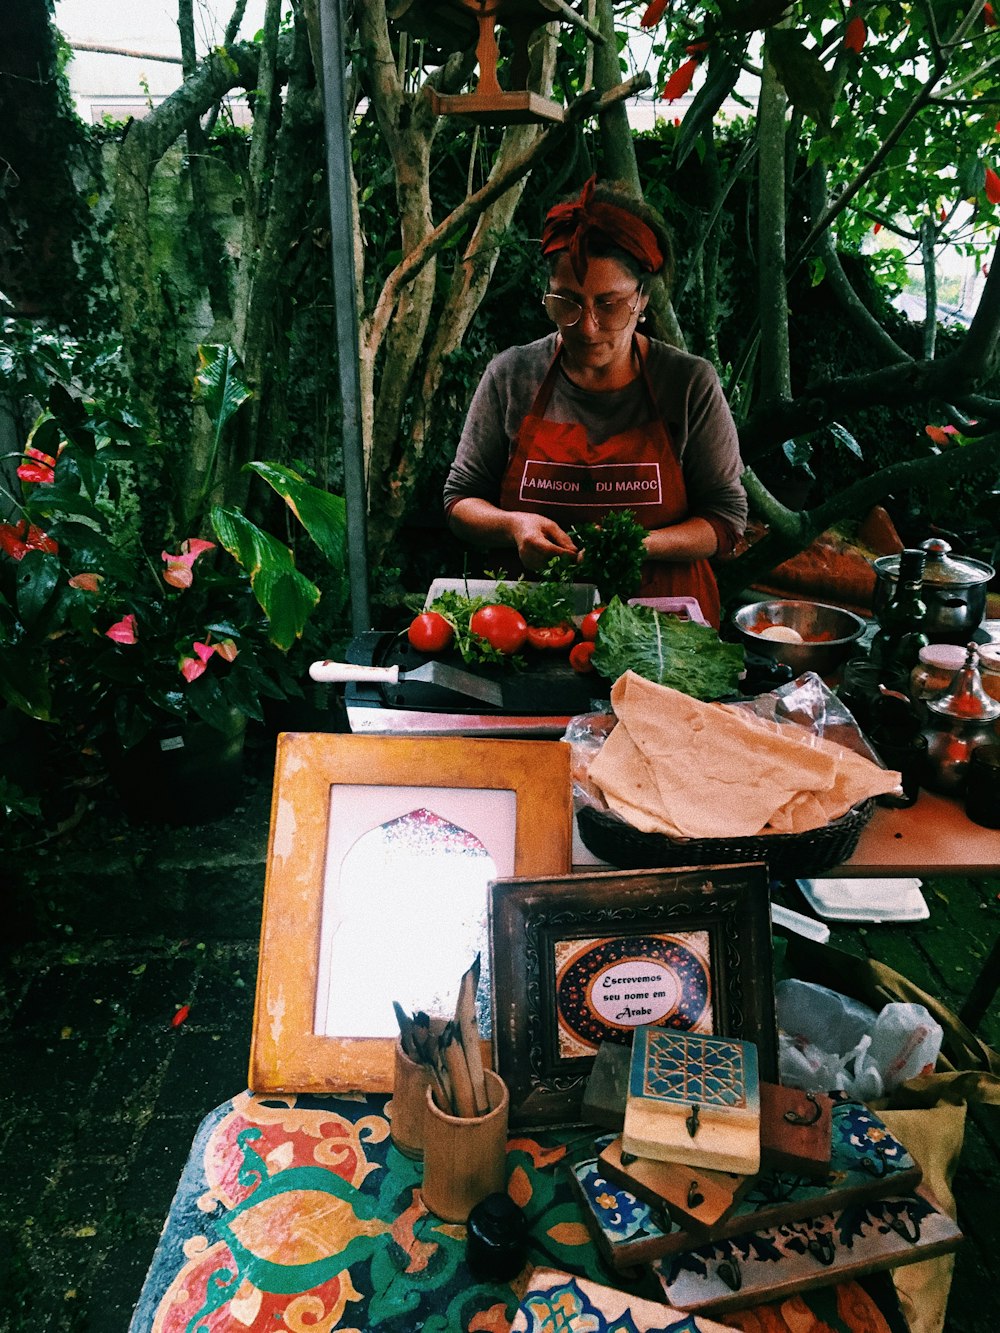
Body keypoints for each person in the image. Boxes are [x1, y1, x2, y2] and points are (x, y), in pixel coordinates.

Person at [443, 176, 747, 628]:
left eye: (609, 304)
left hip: (663, 629)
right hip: (533, 626)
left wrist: (633, 545)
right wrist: (514, 526)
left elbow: (725, 522)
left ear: (642, 298)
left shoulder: (688, 384)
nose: (587, 327)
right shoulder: (511, 376)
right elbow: (460, 499)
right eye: (567, 301)